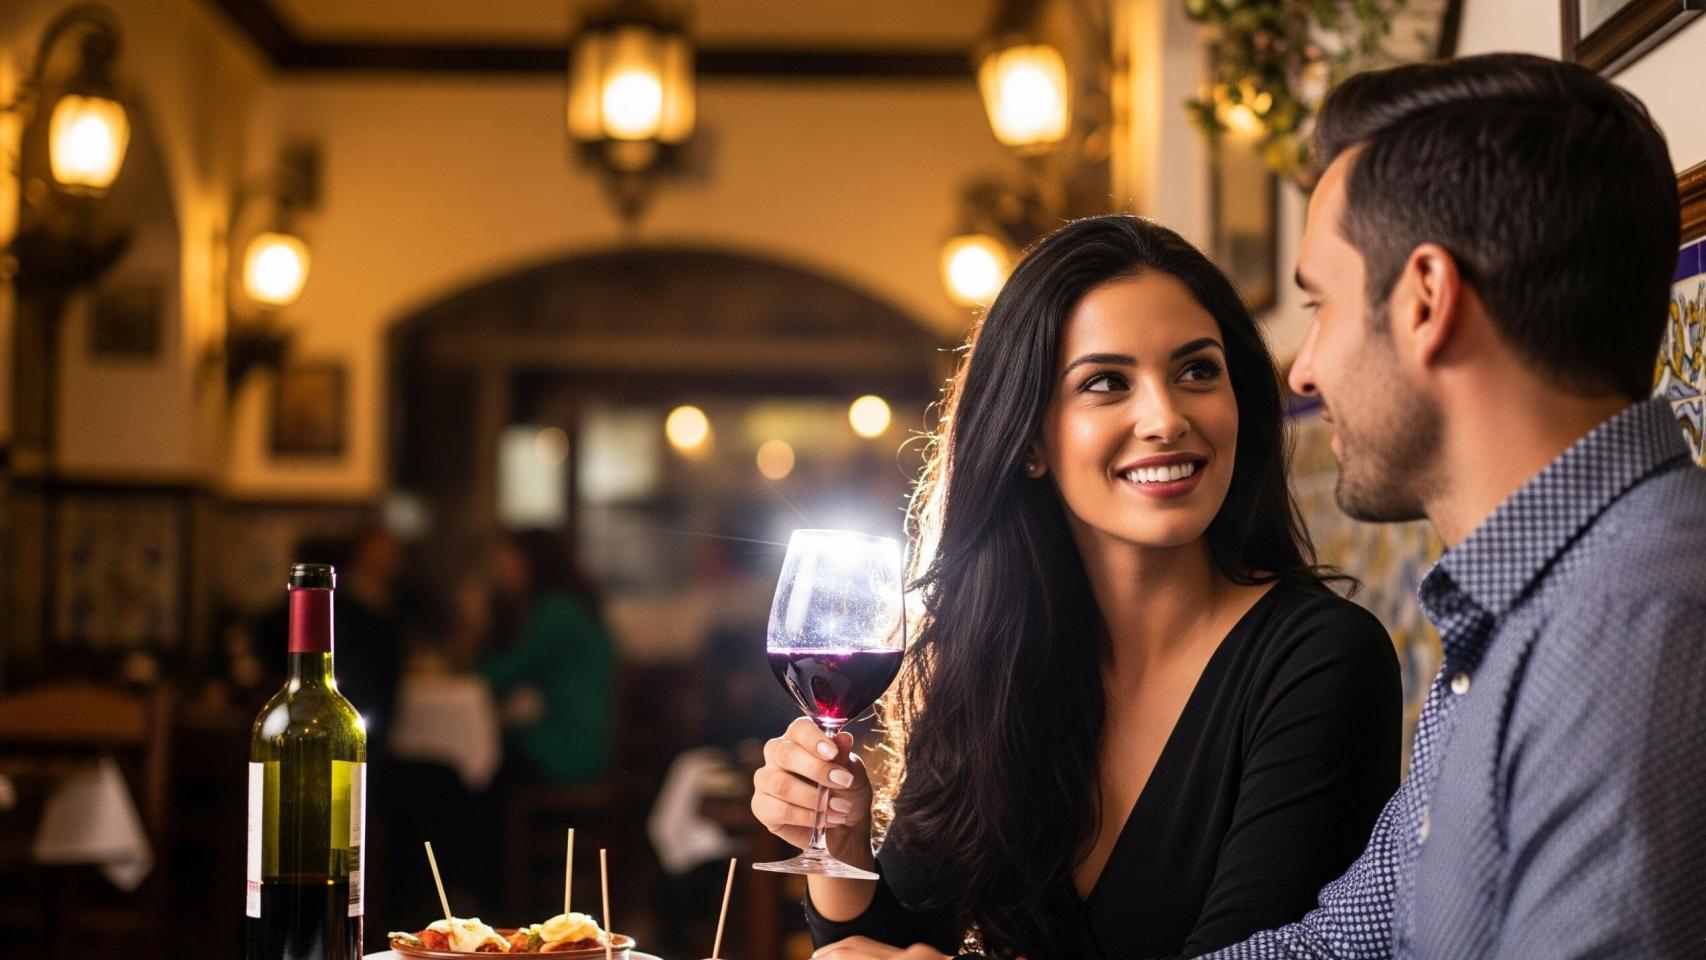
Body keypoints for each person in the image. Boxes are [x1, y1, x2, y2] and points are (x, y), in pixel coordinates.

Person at [751, 214, 1403, 959]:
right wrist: (839, 843)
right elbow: (881, 943)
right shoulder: (996, 657)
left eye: (1197, 370)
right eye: (1106, 383)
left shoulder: (1322, 663)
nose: (1165, 417)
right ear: (1029, 440)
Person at [1200, 53, 1706, 958]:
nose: (1303, 368)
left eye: (1321, 305)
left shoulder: (1629, 628)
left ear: (1428, 298)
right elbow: (1334, 948)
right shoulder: (1511, 608)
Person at [478, 527, 617, 785]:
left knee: (486, 765)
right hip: (592, 739)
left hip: (572, 746)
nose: (502, 572)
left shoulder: (556, 611)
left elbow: (508, 671)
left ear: (530, 562)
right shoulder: (572, 604)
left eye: (508, 561)